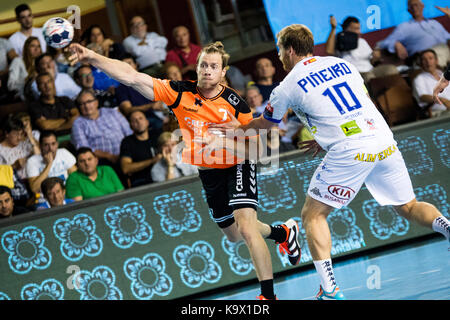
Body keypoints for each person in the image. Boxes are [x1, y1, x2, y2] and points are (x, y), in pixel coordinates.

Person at [209, 24, 450, 300]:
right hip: (382, 138)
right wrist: (325, 137)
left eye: (278, 50)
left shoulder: (286, 85)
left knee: (312, 215)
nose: (278, 56)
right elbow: (362, 101)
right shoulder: (341, 64)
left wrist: (232, 131)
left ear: (289, 50)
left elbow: (265, 124)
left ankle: (330, 290)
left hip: (351, 149)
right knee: (408, 206)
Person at [68, 40, 301, 300]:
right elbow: (133, 77)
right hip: (209, 170)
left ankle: (268, 296)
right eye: (203, 65)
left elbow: (257, 152)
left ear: (223, 72)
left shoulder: (235, 103)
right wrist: (91, 56)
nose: (207, 70)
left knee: (246, 228)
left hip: (238, 162)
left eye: (214, 66)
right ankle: (283, 232)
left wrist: (226, 139)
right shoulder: (180, 92)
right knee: (234, 235)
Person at [325, 15, 398, 83]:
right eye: (355, 29)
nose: (359, 32)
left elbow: (372, 60)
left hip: (370, 70)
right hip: (355, 74)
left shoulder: (362, 41)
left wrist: (376, 57)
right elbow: (329, 50)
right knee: (369, 77)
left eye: (359, 28)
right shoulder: (339, 40)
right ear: (346, 28)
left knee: (391, 69)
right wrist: (333, 28)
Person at [71, 89, 133, 167]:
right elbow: (83, 148)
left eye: (89, 101)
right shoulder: (78, 123)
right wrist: (109, 156)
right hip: (101, 161)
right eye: (82, 104)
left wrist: (128, 153)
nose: (86, 106)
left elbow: (129, 133)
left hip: (127, 155)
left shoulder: (112, 112)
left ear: (96, 102)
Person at [377, 0, 450, 66]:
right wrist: (396, 44)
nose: (414, 8)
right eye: (411, 6)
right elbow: (382, 43)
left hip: (445, 52)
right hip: (426, 59)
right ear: (409, 10)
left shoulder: (434, 23)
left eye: (416, 5)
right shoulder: (404, 27)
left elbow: (448, 38)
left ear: (422, 6)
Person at [116, 54, 167, 130]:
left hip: (161, 112)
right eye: (124, 65)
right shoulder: (122, 88)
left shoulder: (148, 79)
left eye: (129, 63)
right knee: (157, 123)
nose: (127, 67)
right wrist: (150, 106)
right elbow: (127, 110)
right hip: (145, 117)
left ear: (136, 65)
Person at [120, 110, 161, 187]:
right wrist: (152, 161)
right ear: (130, 126)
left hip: (162, 176)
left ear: (147, 122)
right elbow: (126, 168)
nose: (138, 122)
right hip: (141, 182)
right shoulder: (127, 142)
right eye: (134, 120)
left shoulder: (157, 136)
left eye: (140, 118)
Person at [413, 49, 450, 117]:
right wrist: (442, 100)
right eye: (424, 59)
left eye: (430, 58)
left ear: (436, 61)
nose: (428, 62)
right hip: (439, 112)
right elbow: (422, 97)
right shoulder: (420, 79)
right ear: (421, 63)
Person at [7, 36, 41, 100]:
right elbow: (10, 85)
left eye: (38, 46)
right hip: (23, 98)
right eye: (33, 46)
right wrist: (29, 79)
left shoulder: (42, 63)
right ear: (27, 48)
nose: (36, 49)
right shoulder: (18, 61)